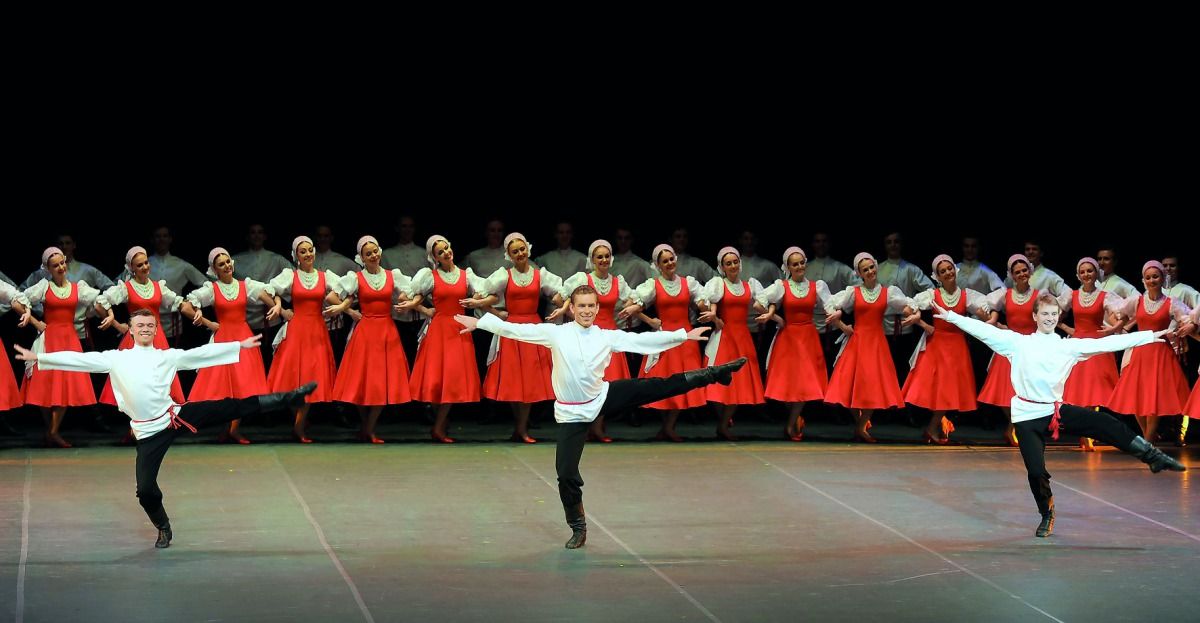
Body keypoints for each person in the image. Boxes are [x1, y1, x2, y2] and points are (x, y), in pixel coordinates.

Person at [456, 285, 745, 549]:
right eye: (581, 306)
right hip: (572, 412)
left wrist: (682, 335)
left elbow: (643, 341)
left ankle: (713, 373)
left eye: (591, 306)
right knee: (566, 474)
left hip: (602, 396)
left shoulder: (606, 336)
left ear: (597, 308)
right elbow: (516, 330)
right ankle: (578, 527)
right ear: (571, 308)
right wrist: (480, 322)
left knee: (656, 386)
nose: (586, 311)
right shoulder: (556, 333)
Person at [14, 309, 317, 548]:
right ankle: (163, 526)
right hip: (148, 434)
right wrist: (39, 357)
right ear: (131, 330)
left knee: (230, 405)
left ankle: (291, 396)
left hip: (175, 416)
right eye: (140, 326)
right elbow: (78, 360)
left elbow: (201, 354)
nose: (145, 329)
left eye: (150, 326)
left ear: (155, 330)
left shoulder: (167, 356)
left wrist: (238, 345)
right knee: (145, 490)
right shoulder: (116, 359)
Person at [931, 294, 1185, 538]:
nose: (1050, 318)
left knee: (1104, 423)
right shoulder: (1017, 342)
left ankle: (1152, 456)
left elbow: (1107, 343)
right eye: (1045, 314)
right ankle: (1047, 513)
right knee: (1036, 472)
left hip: (1054, 411)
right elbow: (985, 331)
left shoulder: (1068, 347)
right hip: (1026, 416)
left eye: (1054, 314)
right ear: (1035, 315)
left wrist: (1150, 336)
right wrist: (952, 316)